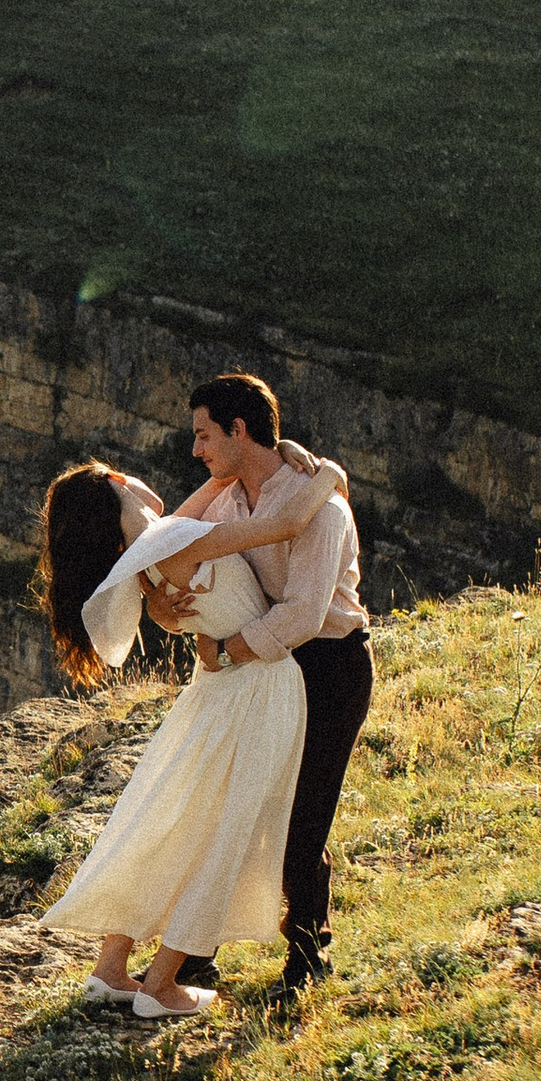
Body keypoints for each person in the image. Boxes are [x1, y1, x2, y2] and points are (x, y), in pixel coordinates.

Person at [32, 451, 346, 1020]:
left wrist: (276, 452)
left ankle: (111, 969)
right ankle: (160, 984)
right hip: (257, 687)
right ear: (120, 482)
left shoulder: (148, 556)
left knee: (169, 818)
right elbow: (286, 524)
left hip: (212, 693)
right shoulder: (177, 540)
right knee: (220, 833)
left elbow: (217, 483)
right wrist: (330, 475)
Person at [148, 373, 372, 999]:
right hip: (269, 667)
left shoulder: (319, 506)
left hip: (329, 667)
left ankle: (306, 960)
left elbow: (303, 614)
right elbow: (169, 543)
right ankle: (193, 955)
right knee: (229, 808)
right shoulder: (230, 499)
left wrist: (222, 650)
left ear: (239, 430)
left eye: (204, 435)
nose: (195, 450)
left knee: (302, 820)